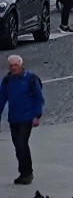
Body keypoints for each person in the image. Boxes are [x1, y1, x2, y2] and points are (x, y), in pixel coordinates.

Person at [0, 54, 41, 184]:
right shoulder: (7, 81)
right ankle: (23, 172)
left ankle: (28, 173)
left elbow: (39, 98)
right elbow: (2, 99)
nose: (13, 68)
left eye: (15, 65)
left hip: (27, 118)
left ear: (22, 65)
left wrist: (37, 116)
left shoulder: (31, 79)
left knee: (22, 144)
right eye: (11, 65)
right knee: (18, 146)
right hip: (14, 118)